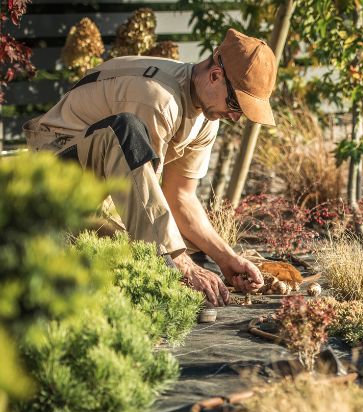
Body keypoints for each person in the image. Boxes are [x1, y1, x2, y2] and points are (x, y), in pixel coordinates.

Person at [22, 28, 278, 306]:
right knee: (165, 248)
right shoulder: (158, 99)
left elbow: (179, 197)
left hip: (100, 192)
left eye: (242, 113)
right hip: (52, 177)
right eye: (235, 104)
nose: (235, 117)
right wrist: (182, 264)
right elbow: (144, 201)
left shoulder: (207, 116)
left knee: (175, 246)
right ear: (215, 75)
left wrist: (227, 259)